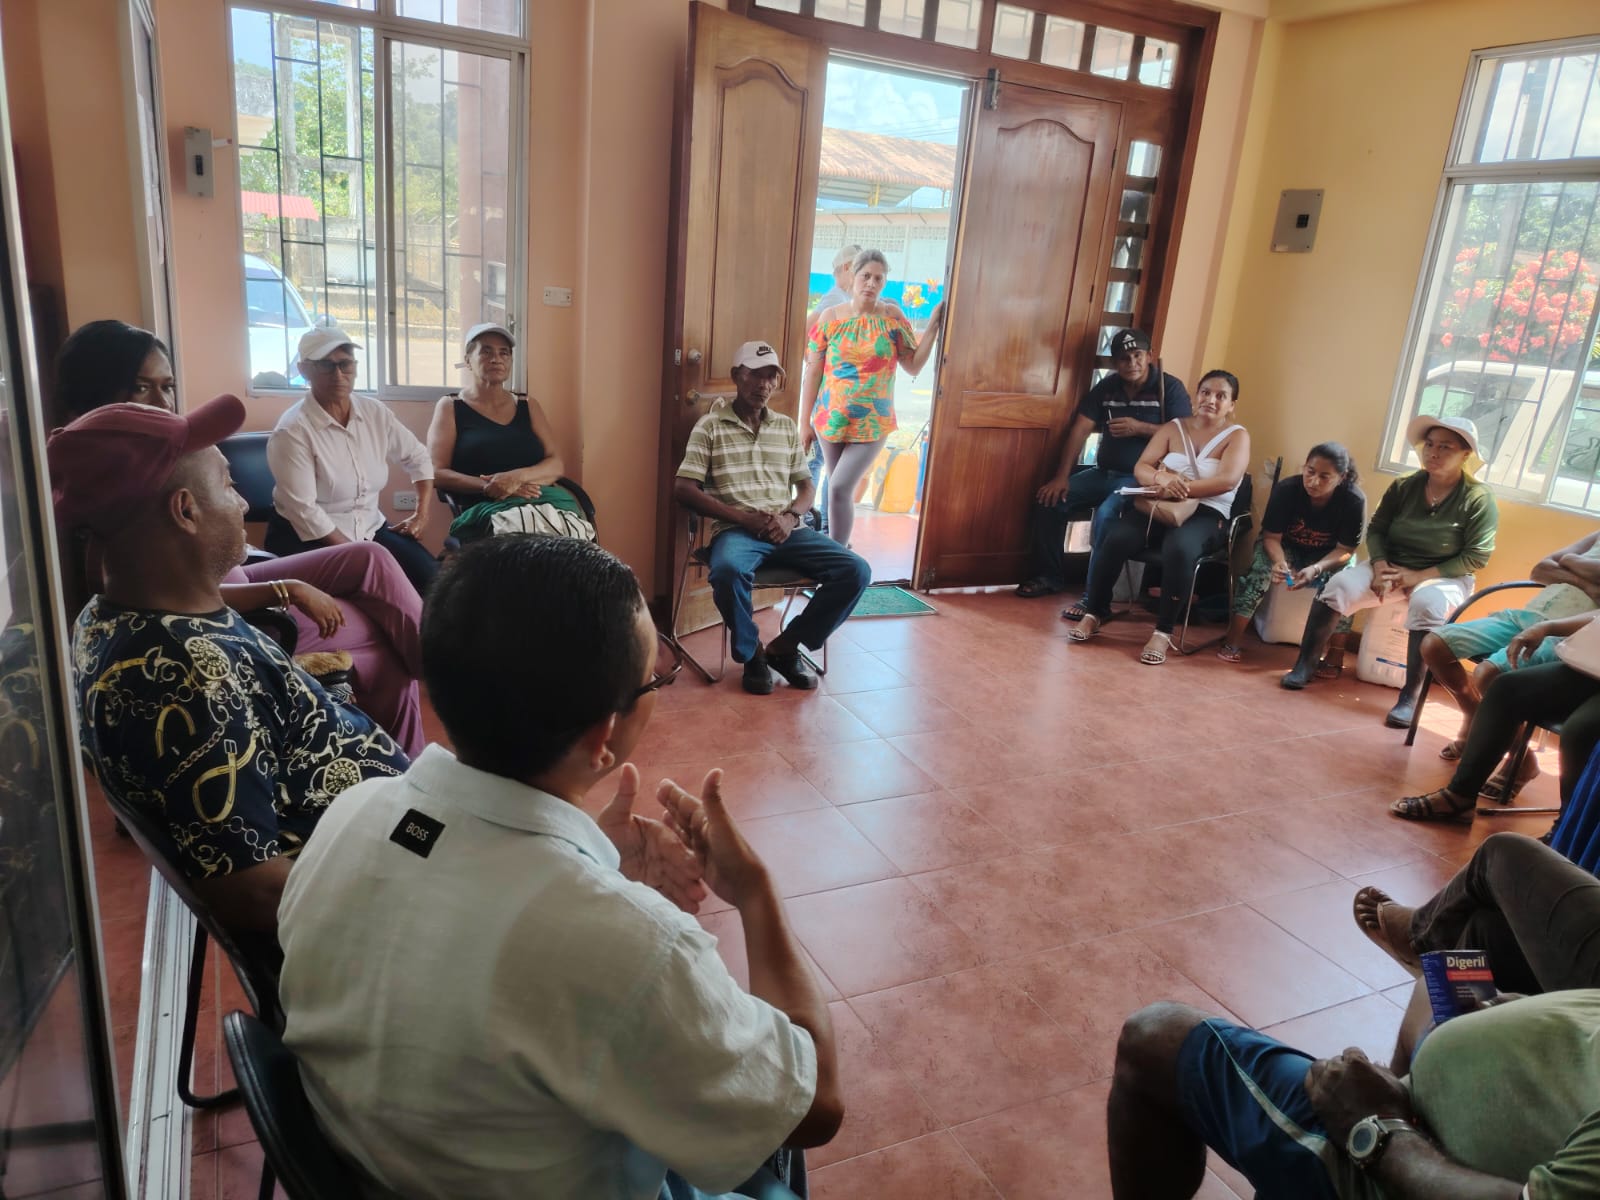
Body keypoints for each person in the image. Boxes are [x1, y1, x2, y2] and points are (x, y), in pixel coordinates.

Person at [276, 535, 843, 1199]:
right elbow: (813, 1108)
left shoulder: (358, 812)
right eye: (655, 680)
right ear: (604, 734)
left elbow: (461, 883)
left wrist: (586, 863)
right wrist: (755, 892)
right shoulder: (633, 949)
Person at [48, 396, 409, 937]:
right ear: (186, 511)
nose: (241, 503)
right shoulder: (191, 679)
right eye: (228, 484)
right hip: (388, 891)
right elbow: (256, 892)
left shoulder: (107, 615)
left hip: (386, 829)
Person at [1109, 864, 1600, 1200]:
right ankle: (1403, 1071)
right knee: (1459, 959)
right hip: (1479, 1105)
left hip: (1407, 1162)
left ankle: (1338, 1147)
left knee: (1153, 1037)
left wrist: (1377, 1128)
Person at [52, 319, 425, 757]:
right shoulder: (111, 485)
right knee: (382, 642)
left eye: (167, 387)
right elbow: (167, 603)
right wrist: (288, 589)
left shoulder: (156, 456)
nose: (163, 404)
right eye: (140, 388)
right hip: (246, 613)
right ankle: (411, 755)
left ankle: (440, 666)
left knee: (370, 557)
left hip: (242, 572)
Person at [676, 340, 872, 695]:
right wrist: (743, 518)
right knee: (727, 571)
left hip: (787, 530)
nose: (764, 384)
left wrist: (790, 517)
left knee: (856, 570)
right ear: (736, 376)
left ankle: (785, 647)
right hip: (736, 530)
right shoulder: (710, 426)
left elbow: (807, 488)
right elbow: (684, 489)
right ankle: (752, 654)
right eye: (755, 375)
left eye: (771, 377)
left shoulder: (784, 427)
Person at [1295, 416, 1498, 724]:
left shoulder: (1478, 498)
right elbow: (1377, 529)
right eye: (1430, 445)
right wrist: (1379, 566)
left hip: (1443, 576)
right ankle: (1304, 665)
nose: (1433, 453)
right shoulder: (1405, 485)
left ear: (1465, 455)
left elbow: (1476, 556)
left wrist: (1417, 577)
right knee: (1337, 587)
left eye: (1445, 447)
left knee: (1427, 604)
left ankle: (1409, 698)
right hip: (1390, 566)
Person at [1070, 370, 1249, 666]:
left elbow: (1227, 480)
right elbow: (1142, 466)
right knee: (1115, 536)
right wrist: (1160, 479)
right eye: (1205, 392)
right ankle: (1095, 612)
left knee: (1179, 547)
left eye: (1221, 396)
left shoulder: (1237, 436)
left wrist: (1183, 487)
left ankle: (1163, 631)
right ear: (1196, 395)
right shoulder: (1173, 427)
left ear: (1232, 405)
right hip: (1163, 504)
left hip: (1207, 512)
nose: (1211, 400)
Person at [1017, 328, 1193, 604]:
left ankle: (1094, 598)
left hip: (1139, 479)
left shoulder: (1169, 388)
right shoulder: (1107, 387)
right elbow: (1080, 429)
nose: (1132, 363)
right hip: (1103, 473)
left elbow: (1184, 436)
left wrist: (1140, 428)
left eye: (1137, 356)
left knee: (1107, 515)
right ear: (1114, 363)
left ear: (1150, 356)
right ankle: (1049, 577)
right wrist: (1061, 477)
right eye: (1124, 358)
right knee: (1049, 501)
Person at [265, 327, 439, 595]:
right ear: (304, 370)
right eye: (326, 365)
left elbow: (418, 457)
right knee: (378, 592)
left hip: (370, 529)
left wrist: (421, 515)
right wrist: (362, 556)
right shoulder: (292, 431)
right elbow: (305, 510)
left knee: (435, 581)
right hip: (309, 538)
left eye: (345, 364)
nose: (338, 375)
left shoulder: (374, 412)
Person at [1390, 611, 1600, 822]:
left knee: (1580, 730)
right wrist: (1547, 627)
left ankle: (1567, 827)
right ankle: (1460, 797)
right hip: (1590, 667)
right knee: (1505, 689)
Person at [801, 249, 944, 550]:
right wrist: (804, 423)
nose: (871, 283)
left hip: (873, 422)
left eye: (878, 278)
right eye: (866, 276)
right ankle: (839, 552)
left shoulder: (891, 317)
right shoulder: (830, 317)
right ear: (853, 276)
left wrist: (932, 326)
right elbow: (813, 372)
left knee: (839, 487)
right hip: (831, 420)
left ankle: (837, 560)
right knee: (836, 491)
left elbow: (912, 365)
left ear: (884, 283)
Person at [1420, 529, 1600, 762]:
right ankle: (1474, 715)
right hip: (1524, 617)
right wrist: (1585, 580)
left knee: (1488, 674)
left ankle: (1521, 759)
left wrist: (1569, 563)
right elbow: (1540, 570)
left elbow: (1560, 562)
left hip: (1565, 633)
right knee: (1434, 645)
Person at [424, 322, 593, 542]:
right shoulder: (450, 406)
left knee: (574, 542)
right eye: (486, 351)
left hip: (543, 501)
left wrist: (517, 478)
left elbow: (555, 464)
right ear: (468, 361)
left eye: (504, 353)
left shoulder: (527, 404)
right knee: (524, 545)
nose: (496, 359)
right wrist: (491, 486)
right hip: (488, 505)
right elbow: (435, 472)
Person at [1219, 442, 1366, 666]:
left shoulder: (1353, 500)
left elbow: (1346, 550)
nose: (1314, 481)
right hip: (1284, 547)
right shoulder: (1286, 490)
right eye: (1310, 472)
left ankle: (1336, 653)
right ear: (1304, 467)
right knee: (1260, 571)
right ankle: (1232, 640)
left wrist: (1316, 568)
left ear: (1342, 477)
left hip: (1328, 556)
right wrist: (1279, 562)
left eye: (1324, 477)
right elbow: (1271, 537)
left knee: (1346, 582)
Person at [799, 243, 863, 535]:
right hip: (827, 396)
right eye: (860, 271)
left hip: (835, 397)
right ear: (847, 268)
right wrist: (816, 362)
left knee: (828, 466)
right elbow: (805, 332)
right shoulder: (835, 299)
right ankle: (815, 523)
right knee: (819, 462)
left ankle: (822, 525)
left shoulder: (843, 299)